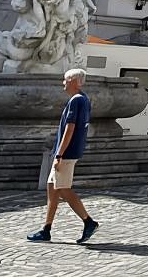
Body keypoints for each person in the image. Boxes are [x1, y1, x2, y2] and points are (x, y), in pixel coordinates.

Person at [28, 68, 98, 243]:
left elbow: (70, 128)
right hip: (69, 151)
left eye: (66, 80)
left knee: (64, 189)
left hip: (66, 153)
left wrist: (59, 154)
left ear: (74, 81)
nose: (63, 83)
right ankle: (46, 229)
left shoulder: (76, 100)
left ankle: (88, 222)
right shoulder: (83, 99)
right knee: (52, 187)